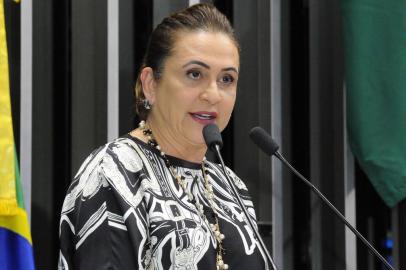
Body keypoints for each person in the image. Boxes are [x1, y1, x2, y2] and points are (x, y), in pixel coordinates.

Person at [59, 4, 267, 270]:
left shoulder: (229, 187)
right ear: (150, 84)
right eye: (195, 74)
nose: (213, 94)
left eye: (226, 79)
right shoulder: (114, 173)